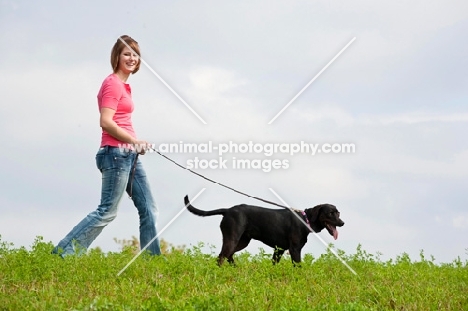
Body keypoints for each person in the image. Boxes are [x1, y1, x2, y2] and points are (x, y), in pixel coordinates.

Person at [52, 35, 161, 257]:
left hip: (128, 155)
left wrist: (136, 144)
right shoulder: (112, 83)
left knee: (149, 208)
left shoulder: (124, 86)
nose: (132, 58)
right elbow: (106, 121)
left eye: (135, 55)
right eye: (127, 53)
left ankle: (153, 260)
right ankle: (63, 253)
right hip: (115, 154)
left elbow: (121, 121)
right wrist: (133, 141)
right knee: (107, 211)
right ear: (117, 56)